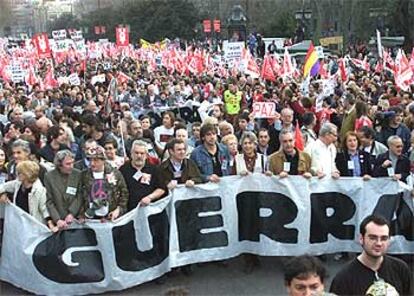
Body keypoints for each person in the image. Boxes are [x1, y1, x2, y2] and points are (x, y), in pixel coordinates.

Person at [330, 214, 413, 295]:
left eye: (384, 238)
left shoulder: (400, 269)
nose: (379, 243)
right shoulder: (343, 279)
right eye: (373, 238)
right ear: (361, 239)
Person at [0, 160, 55, 230]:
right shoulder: (17, 184)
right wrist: (2, 194)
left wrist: (50, 224)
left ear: (28, 174)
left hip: (33, 226)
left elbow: (44, 209)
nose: (17, 174)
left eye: (20, 173)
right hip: (18, 223)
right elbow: (3, 186)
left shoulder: (40, 190)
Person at [78, 146, 129, 221]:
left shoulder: (115, 173)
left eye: (96, 160)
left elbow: (124, 193)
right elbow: (79, 195)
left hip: (111, 217)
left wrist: (119, 210)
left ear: (103, 161)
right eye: (90, 160)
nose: (92, 163)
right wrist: (82, 214)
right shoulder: (84, 175)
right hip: (90, 218)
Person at [119, 140, 166, 211]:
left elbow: (161, 189)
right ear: (131, 154)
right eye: (136, 153)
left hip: (150, 211)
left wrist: (150, 197)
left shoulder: (154, 169)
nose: (139, 156)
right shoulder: (123, 169)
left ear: (146, 155)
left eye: (142, 153)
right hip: (130, 212)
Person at [44, 150, 82, 231]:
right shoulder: (49, 177)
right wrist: (57, 219)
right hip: (58, 221)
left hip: (75, 220)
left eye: (72, 163)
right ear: (59, 165)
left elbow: (79, 196)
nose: (71, 166)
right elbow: (49, 201)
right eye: (68, 164)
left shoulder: (78, 174)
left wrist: (72, 214)